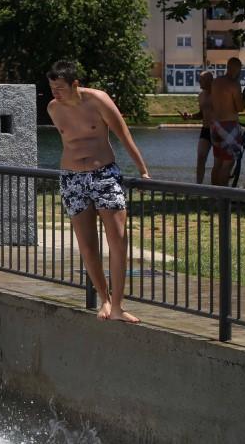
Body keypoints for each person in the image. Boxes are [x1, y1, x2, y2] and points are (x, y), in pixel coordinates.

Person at [46, 61, 149, 323]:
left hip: (103, 174)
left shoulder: (98, 101)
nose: (55, 93)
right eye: (52, 88)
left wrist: (143, 170)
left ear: (75, 84)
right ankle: (103, 300)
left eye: (60, 88)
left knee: (117, 240)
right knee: (87, 245)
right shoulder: (53, 108)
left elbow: (124, 135)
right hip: (71, 178)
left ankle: (118, 305)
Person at [208, 57, 245, 186]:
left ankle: (214, 195)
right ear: (236, 69)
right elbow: (239, 107)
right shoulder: (234, 85)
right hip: (229, 125)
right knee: (228, 163)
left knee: (217, 162)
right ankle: (223, 199)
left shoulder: (215, 82)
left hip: (215, 125)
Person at [181, 70, 214, 184]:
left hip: (218, 130)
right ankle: (198, 186)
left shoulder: (218, 94)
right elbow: (201, 114)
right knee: (201, 157)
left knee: (219, 161)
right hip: (205, 130)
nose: (199, 81)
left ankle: (217, 187)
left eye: (201, 79)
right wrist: (189, 116)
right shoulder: (201, 96)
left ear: (210, 81)